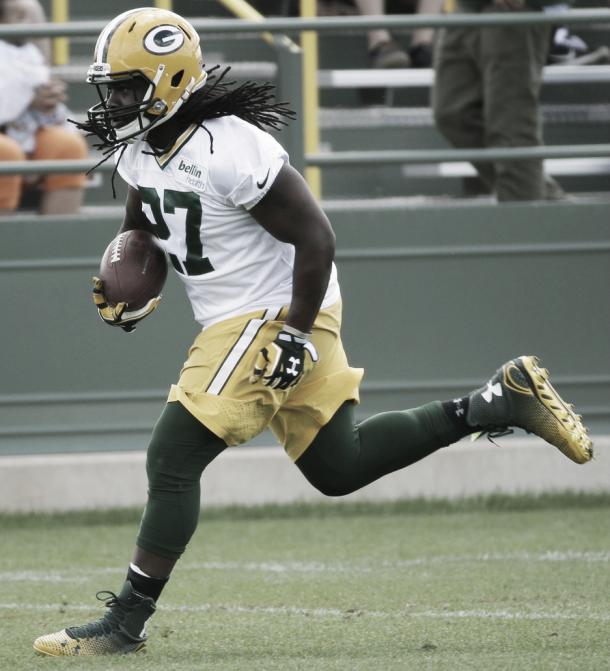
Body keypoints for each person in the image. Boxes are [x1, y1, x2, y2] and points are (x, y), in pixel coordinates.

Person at [32, 7, 592, 657]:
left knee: (173, 454)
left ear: (172, 80)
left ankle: (125, 621)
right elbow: (145, 217)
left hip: (273, 309)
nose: (115, 101)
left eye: (129, 87)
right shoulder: (143, 149)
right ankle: (497, 400)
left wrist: (294, 334)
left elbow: (317, 236)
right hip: (254, 312)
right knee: (339, 465)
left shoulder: (230, 147)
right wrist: (133, 272)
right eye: (112, 87)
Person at [432, 0, 567, 201]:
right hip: (463, 9)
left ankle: (524, 221)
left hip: (512, 11)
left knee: (510, 123)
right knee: (452, 114)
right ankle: (543, 199)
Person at [0, 0, 87, 214]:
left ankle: (60, 242)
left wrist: (44, 96)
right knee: (7, 154)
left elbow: (37, 77)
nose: (28, 21)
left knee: (67, 146)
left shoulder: (23, 43)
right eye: (19, 16)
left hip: (20, 126)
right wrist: (25, 97)